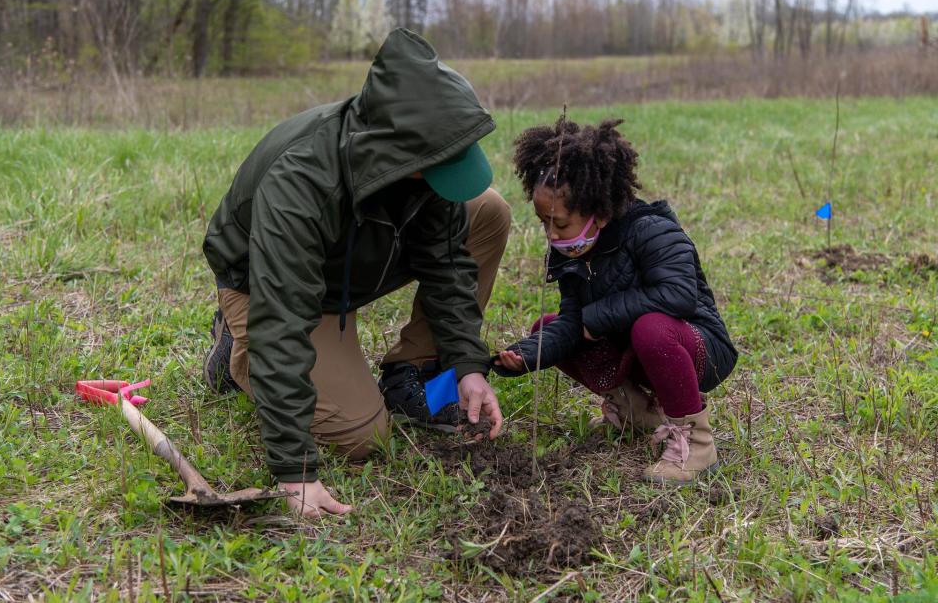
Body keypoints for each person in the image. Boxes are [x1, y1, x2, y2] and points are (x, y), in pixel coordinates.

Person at [201, 28, 509, 516]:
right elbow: (284, 317)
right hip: (274, 288)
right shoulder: (300, 182)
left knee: (487, 209)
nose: (446, 175)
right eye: (439, 166)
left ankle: (417, 373)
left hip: (355, 258)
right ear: (402, 154)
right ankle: (238, 351)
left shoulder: (415, 172)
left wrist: (468, 365)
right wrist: (295, 470)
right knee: (363, 437)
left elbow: (448, 264)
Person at [491, 117, 737, 484]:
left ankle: (696, 445)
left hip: (698, 349)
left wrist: (601, 315)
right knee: (548, 326)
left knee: (650, 327)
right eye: (544, 222)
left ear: (600, 214)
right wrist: (526, 354)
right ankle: (637, 411)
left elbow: (680, 297)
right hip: (637, 347)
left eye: (560, 224)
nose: (551, 234)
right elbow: (574, 323)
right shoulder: (571, 251)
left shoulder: (653, 230)